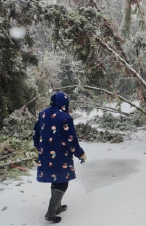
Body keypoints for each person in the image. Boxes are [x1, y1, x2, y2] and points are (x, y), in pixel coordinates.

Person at [33, 92, 87, 223]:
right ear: (64, 103)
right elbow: (70, 139)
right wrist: (80, 153)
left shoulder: (43, 113)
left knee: (56, 178)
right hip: (61, 154)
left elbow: (36, 131)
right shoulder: (65, 117)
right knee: (63, 182)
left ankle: (57, 207)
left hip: (46, 153)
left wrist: (37, 146)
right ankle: (51, 213)